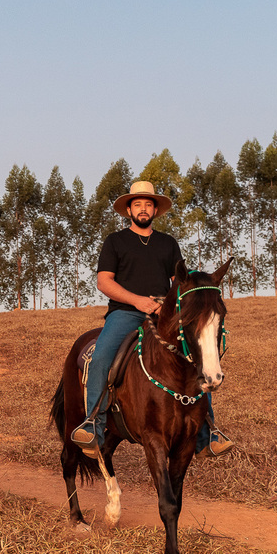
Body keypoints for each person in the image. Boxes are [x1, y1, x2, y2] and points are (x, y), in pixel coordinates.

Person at [70, 181, 233, 458]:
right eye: (137, 204)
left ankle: (208, 433)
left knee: (194, 358)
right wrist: (137, 300)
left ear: (155, 210)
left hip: (162, 315)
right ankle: (93, 426)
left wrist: (176, 301)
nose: (143, 209)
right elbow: (104, 282)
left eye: (148, 204)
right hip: (125, 312)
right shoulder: (115, 242)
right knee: (99, 359)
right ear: (129, 210)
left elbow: (178, 282)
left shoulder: (168, 243)